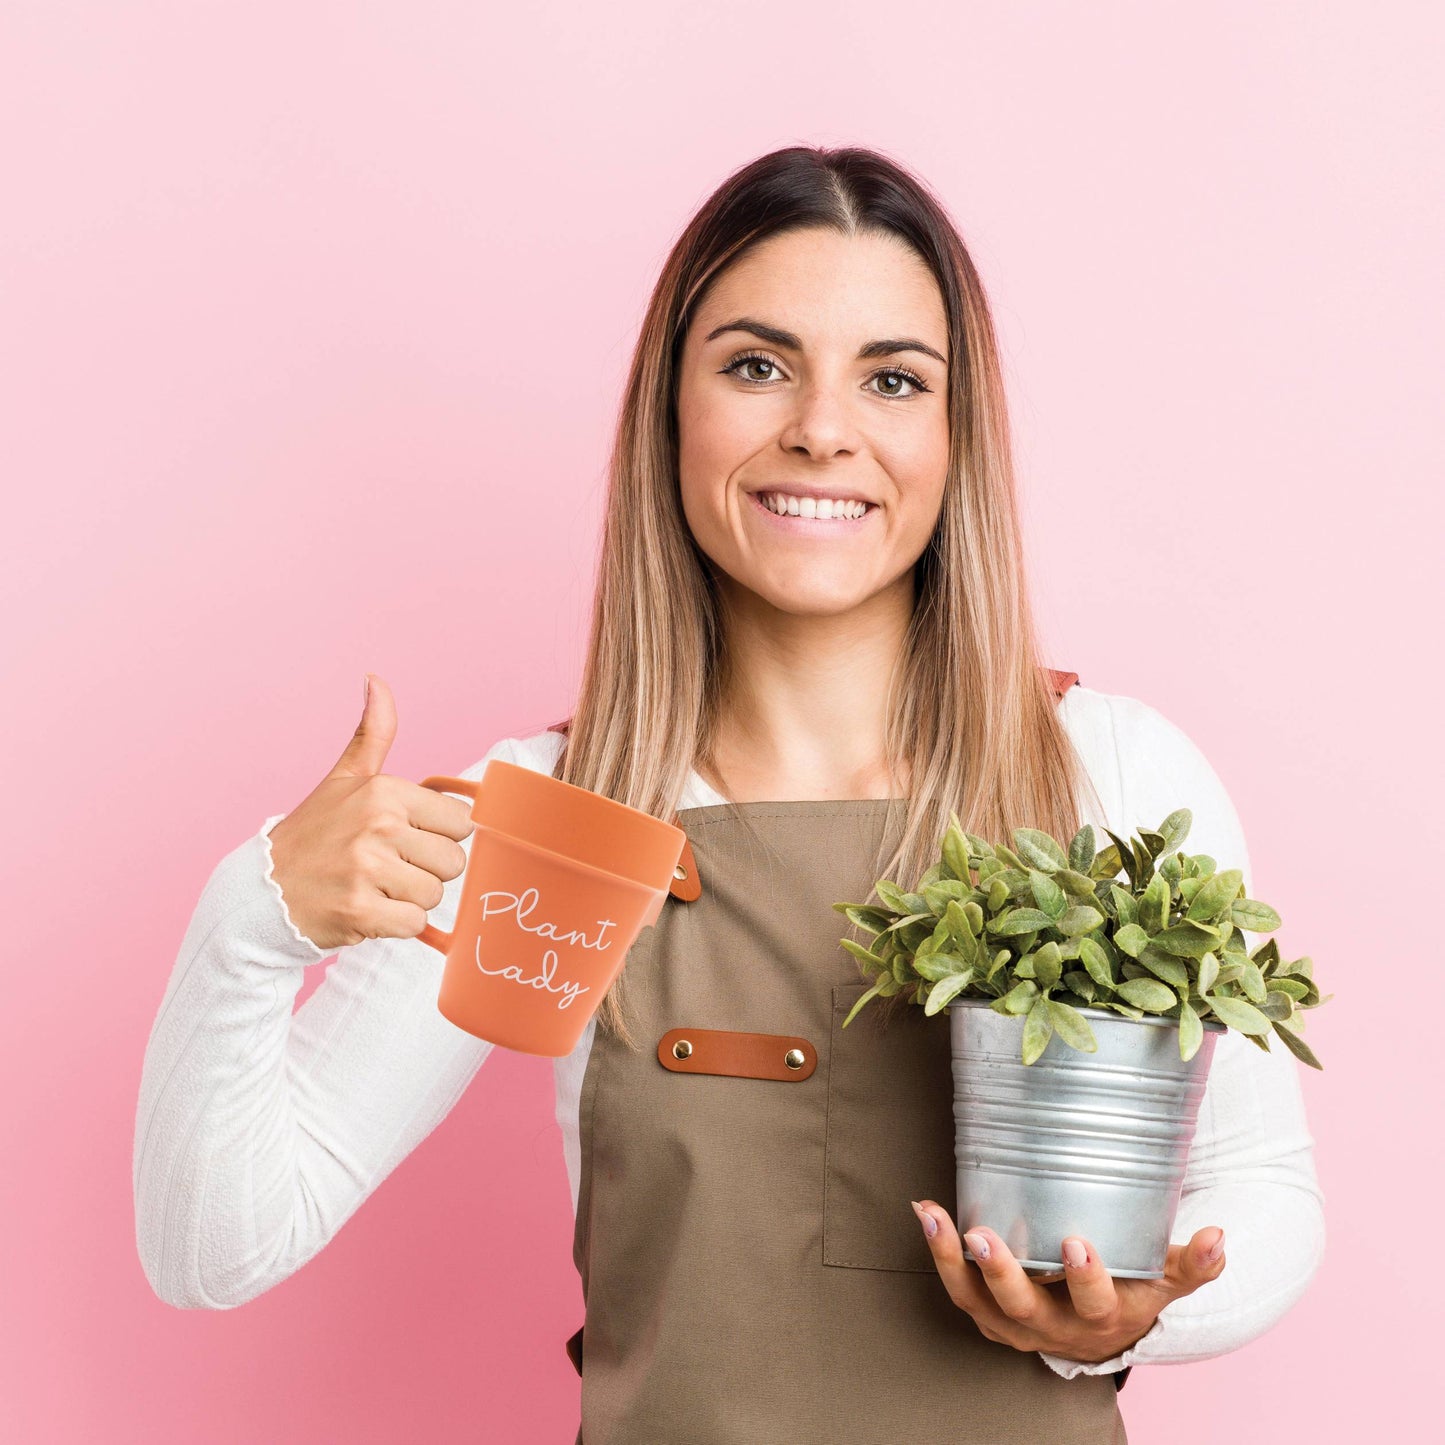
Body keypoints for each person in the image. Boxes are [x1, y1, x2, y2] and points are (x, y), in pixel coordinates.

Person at [133, 146, 1324, 1442]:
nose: (822, 426)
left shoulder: (1108, 771)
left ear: (953, 435)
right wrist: (255, 916)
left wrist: (1136, 1311)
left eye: (891, 378)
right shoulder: (552, 819)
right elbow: (216, 1244)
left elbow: (1259, 1185)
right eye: (757, 365)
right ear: (671, 412)